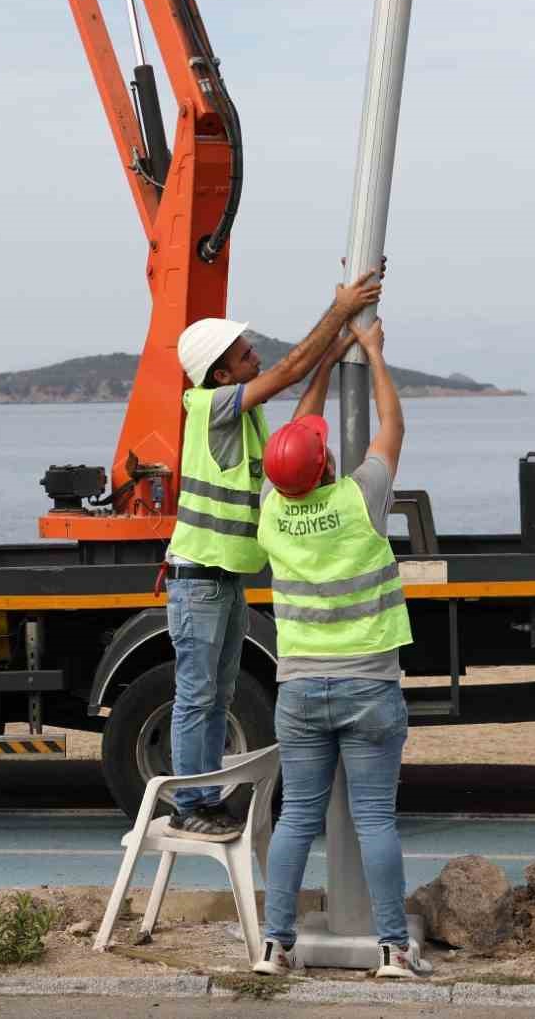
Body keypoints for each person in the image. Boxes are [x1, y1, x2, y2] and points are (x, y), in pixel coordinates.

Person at [163, 268, 383, 843]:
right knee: (198, 697)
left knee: (218, 696)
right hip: (201, 580)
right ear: (221, 373)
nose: (254, 354)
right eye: (243, 353)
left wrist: (329, 364)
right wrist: (338, 310)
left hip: (224, 581)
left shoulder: (245, 417)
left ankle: (202, 797)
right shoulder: (208, 404)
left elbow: (302, 420)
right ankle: (192, 801)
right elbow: (288, 371)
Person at [250, 317, 432, 979]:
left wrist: (324, 361)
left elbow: (296, 434)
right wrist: (374, 355)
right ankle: (391, 949)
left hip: (299, 689)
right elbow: (392, 428)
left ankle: (276, 946)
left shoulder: (271, 507)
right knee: (374, 821)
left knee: (297, 819)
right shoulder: (362, 500)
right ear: (327, 464)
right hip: (370, 686)